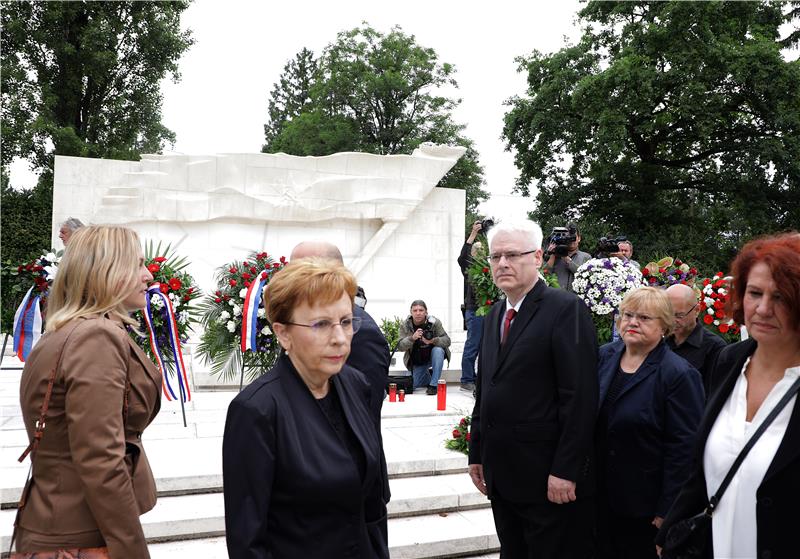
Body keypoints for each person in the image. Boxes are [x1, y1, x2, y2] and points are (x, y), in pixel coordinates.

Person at [222, 258, 389, 558]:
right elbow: (247, 540)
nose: (339, 338)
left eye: (346, 322)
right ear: (283, 333)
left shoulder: (355, 384)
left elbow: (371, 503)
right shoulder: (256, 411)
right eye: (321, 324)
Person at [16, 225, 158, 558]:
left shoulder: (70, 330)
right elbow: (101, 458)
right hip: (80, 536)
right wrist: (132, 550)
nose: (148, 275)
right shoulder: (96, 336)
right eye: (137, 264)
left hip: (62, 521)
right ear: (107, 270)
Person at [657, 232, 800, 559]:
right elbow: (700, 467)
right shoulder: (730, 361)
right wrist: (672, 526)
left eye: (780, 297)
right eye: (754, 293)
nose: (763, 309)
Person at [468, 219, 599, 558]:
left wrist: (566, 470)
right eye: (496, 257)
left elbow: (580, 397)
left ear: (538, 257)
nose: (502, 264)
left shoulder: (565, 309)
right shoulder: (496, 313)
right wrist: (477, 452)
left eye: (512, 255)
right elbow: (486, 388)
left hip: (545, 479)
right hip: (502, 475)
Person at [596, 287, 704, 559]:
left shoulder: (678, 374)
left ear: (665, 326)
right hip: (597, 497)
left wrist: (667, 510)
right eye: (627, 315)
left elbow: (684, 448)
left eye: (644, 318)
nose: (632, 322)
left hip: (644, 506)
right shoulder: (605, 356)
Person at [289, 240, 391, 523]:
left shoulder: (361, 333)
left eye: (301, 270)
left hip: (351, 496)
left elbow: (360, 424)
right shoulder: (301, 323)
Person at [665, 283, 726, 392]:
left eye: (679, 315)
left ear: (697, 310)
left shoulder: (714, 348)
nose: (672, 321)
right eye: (667, 314)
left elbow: (714, 396)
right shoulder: (660, 339)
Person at [396, 300, 451, 394]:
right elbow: (400, 346)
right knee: (411, 385)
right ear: (411, 312)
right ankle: (427, 376)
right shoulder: (405, 325)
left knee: (438, 350)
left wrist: (433, 340)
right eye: (415, 310)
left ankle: (433, 385)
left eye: (421, 310)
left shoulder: (434, 322)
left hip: (432, 357)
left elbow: (447, 341)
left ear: (426, 312)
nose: (418, 313)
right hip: (416, 360)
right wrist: (412, 338)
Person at [457, 220, 485, 392]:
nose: (480, 253)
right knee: (473, 344)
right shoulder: (469, 267)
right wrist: (473, 234)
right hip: (474, 310)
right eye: (477, 250)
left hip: (488, 310)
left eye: (482, 250)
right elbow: (463, 257)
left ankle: (478, 378)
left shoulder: (487, 268)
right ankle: (467, 379)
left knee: (485, 346)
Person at [542, 222, 591, 292]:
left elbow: (585, 275)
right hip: (556, 297)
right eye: (567, 236)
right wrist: (552, 253)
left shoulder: (586, 257)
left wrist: (566, 258)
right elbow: (544, 274)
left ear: (579, 238)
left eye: (573, 237)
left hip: (576, 299)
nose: (571, 240)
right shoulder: (553, 256)